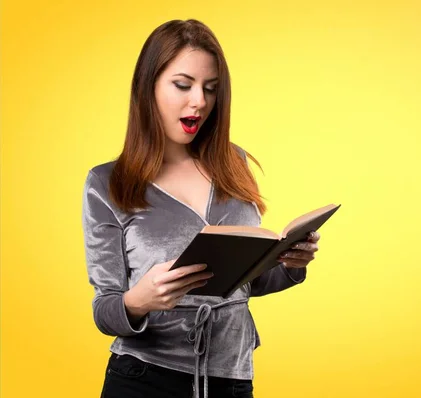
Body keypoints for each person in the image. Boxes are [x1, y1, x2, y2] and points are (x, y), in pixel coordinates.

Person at [81, 19, 321, 398]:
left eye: (211, 89)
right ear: (148, 88)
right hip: (144, 378)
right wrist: (138, 301)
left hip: (231, 378)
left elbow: (243, 283)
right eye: (183, 85)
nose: (199, 101)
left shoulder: (235, 164)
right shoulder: (107, 183)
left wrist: (290, 265)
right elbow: (104, 309)